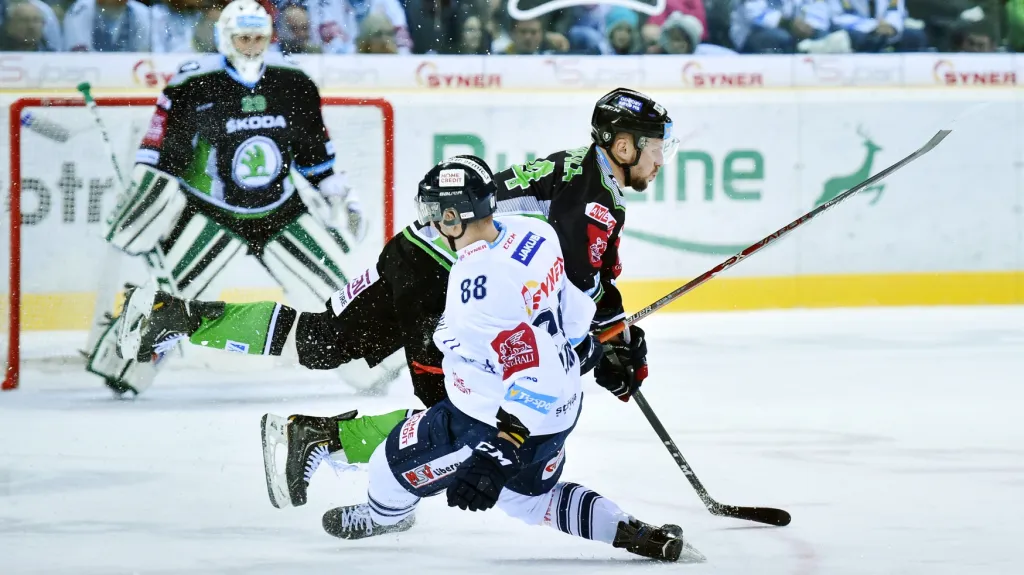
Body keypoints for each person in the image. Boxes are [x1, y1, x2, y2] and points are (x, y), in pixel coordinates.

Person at [115, 88, 677, 511]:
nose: (661, 158)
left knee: (323, 340)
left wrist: (619, 334)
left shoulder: (583, 175)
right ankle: (320, 437)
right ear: (623, 145)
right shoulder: (592, 199)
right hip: (453, 279)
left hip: (415, 251)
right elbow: (573, 298)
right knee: (459, 418)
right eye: (656, 147)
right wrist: (606, 349)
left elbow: (590, 281)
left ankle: (176, 316)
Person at [315, 156, 701, 561]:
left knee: (387, 464)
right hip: (561, 412)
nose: (431, 224)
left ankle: (384, 516)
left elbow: (533, 374)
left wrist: (501, 450)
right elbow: (569, 303)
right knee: (529, 499)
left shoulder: (478, 286)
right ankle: (633, 532)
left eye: (434, 214)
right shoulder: (534, 232)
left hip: (488, 421)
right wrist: (583, 346)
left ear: (453, 217)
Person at [90, 0, 384, 397]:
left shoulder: (293, 82)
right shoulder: (193, 83)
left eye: (258, 38)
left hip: (279, 208)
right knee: (173, 296)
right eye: (242, 38)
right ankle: (122, 365)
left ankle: (372, 367)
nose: (251, 46)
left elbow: (314, 153)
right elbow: (164, 155)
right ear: (224, 38)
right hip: (210, 211)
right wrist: (146, 196)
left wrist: (338, 191)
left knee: (334, 292)